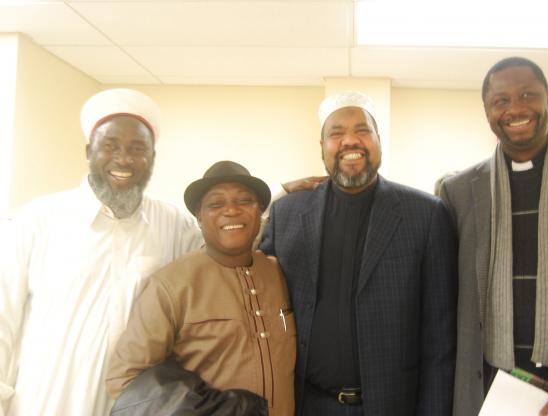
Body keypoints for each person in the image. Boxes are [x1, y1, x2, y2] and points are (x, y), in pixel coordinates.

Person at [0, 88, 203, 416]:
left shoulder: (173, 223)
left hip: (135, 404)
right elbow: (3, 318)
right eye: (110, 146)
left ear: (152, 158)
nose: (124, 159)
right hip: (47, 402)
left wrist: (278, 201)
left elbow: (226, 247)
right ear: (88, 151)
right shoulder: (38, 219)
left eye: (138, 149)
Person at [439, 57, 548, 416]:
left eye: (527, 94)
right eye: (501, 100)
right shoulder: (457, 192)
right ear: (488, 111)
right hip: (490, 392)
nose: (516, 108)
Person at [260, 91, 458, 415]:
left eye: (362, 130)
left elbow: (441, 339)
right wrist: (275, 193)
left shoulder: (426, 215)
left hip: (391, 407)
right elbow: (243, 276)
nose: (350, 141)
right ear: (322, 146)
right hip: (307, 405)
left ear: (379, 139)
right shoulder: (288, 214)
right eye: (336, 133)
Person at [106, 160, 296, 416]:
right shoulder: (171, 285)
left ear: (259, 211)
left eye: (244, 201)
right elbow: (126, 377)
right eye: (216, 204)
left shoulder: (277, 274)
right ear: (198, 217)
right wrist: (219, 410)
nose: (231, 211)